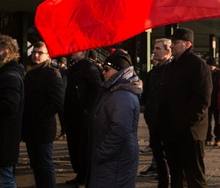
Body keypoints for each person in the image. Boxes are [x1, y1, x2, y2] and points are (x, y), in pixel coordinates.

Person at [159, 27, 212, 188]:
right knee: (176, 176)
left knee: (194, 177)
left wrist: (183, 124)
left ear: (187, 44)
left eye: (176, 43)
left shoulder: (198, 65)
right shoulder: (171, 66)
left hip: (190, 134)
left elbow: (202, 100)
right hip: (172, 134)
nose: (172, 46)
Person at [87, 49, 143, 188]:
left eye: (107, 69)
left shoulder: (122, 95)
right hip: (113, 159)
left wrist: (101, 153)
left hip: (115, 159)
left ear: (118, 71)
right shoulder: (114, 90)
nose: (103, 72)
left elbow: (119, 131)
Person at [0, 33, 25, 188]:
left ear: (5, 51)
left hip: (3, 140)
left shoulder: (9, 76)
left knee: (4, 180)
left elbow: (9, 106)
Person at [22, 41, 64, 188]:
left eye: (40, 52)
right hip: (31, 127)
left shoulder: (52, 74)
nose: (36, 55)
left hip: (43, 128)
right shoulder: (31, 73)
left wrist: (38, 117)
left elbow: (57, 103)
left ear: (48, 55)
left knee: (45, 164)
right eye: (34, 52)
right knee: (36, 164)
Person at [63, 50, 102, 185]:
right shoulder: (74, 67)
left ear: (83, 52)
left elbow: (97, 89)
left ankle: (84, 175)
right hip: (72, 113)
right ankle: (80, 174)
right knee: (74, 145)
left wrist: (87, 109)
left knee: (83, 146)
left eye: (75, 49)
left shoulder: (89, 68)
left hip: (82, 115)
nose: (72, 51)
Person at [140, 38, 172, 187]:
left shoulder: (172, 71)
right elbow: (147, 97)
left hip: (167, 123)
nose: (154, 51)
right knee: (159, 157)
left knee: (168, 158)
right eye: (154, 48)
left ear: (168, 51)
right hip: (154, 123)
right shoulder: (152, 73)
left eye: (158, 48)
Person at [205, 57, 220, 146]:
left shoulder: (218, 74)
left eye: (210, 65)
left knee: (217, 120)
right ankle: (208, 137)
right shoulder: (205, 73)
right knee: (207, 120)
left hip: (216, 100)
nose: (209, 67)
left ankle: (218, 137)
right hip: (208, 100)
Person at [56, 57, 68, 140]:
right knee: (63, 116)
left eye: (60, 63)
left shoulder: (62, 71)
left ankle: (63, 132)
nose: (59, 64)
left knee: (62, 116)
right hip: (63, 96)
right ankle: (64, 132)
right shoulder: (64, 71)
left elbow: (63, 85)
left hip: (62, 96)